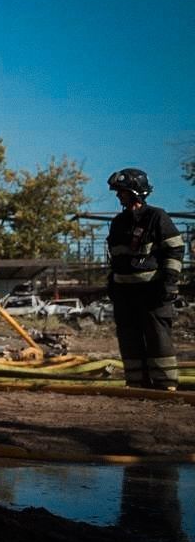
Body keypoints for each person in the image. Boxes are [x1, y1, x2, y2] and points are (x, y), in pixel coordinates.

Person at [106, 168, 183, 391]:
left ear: (135, 192)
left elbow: (175, 250)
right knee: (129, 338)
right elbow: (116, 259)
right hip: (125, 294)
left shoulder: (157, 217)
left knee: (158, 337)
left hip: (152, 293)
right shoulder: (118, 222)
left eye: (122, 191)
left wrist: (169, 282)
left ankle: (165, 384)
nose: (118, 196)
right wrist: (112, 283)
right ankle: (135, 382)